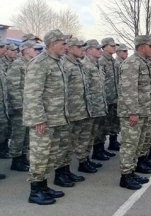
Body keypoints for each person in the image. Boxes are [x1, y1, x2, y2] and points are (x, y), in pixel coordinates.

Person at [23, 29, 68, 205]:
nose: (65, 46)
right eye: (63, 43)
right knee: (40, 155)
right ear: (52, 43)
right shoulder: (39, 63)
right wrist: (38, 119)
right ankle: (35, 191)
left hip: (56, 118)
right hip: (44, 120)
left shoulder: (57, 62)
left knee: (50, 155)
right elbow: (33, 93)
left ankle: (43, 186)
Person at [118, 35, 151, 190]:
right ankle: (125, 176)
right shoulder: (132, 63)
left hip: (144, 110)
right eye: (150, 46)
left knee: (138, 144)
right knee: (130, 144)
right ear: (142, 47)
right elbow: (129, 89)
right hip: (133, 113)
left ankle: (132, 172)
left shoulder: (143, 62)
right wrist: (133, 112)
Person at [62, 38, 94, 177]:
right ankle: (62, 172)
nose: (82, 49)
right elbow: (62, 91)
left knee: (81, 140)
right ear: (69, 48)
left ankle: (82, 162)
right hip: (71, 112)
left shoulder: (79, 64)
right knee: (67, 143)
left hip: (83, 110)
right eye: (79, 46)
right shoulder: (65, 65)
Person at [6, 40, 39, 172]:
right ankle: (16, 160)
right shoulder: (17, 65)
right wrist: (19, 106)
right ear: (26, 50)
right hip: (20, 107)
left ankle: (23, 156)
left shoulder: (31, 63)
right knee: (18, 134)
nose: (35, 51)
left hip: (29, 106)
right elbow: (13, 87)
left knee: (26, 135)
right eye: (33, 49)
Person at [99, 37, 121, 151]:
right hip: (106, 99)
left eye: (115, 46)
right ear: (104, 47)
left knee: (114, 122)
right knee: (103, 125)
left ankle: (113, 142)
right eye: (112, 46)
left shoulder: (114, 61)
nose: (114, 48)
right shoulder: (101, 61)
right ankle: (100, 149)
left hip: (115, 98)